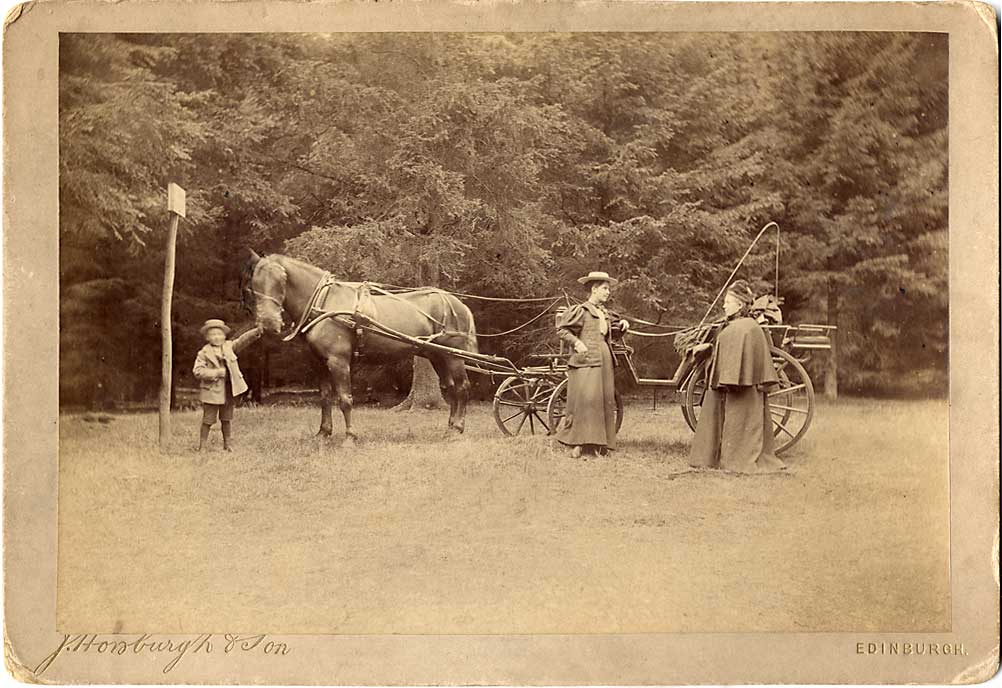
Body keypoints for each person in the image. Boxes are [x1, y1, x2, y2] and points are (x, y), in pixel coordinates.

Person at [688, 280, 786, 473]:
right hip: (725, 383)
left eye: (728, 302)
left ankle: (737, 458)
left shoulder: (747, 328)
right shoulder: (733, 325)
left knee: (740, 419)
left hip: (745, 387)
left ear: (740, 305)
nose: (724, 305)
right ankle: (711, 456)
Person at [554, 271, 630, 458]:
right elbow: (562, 330)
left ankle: (599, 444)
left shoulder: (604, 313)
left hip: (604, 357)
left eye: (608, 289)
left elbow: (610, 335)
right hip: (586, 360)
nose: (608, 292)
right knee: (585, 400)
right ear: (594, 289)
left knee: (603, 400)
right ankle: (577, 443)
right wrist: (577, 343)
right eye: (605, 288)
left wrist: (622, 326)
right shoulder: (581, 310)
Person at [192, 319, 261, 452]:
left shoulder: (229, 346)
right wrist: (216, 372)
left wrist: (256, 332)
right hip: (212, 392)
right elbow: (197, 371)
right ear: (207, 337)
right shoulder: (203, 353)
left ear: (224, 336)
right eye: (213, 334)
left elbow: (242, 340)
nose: (217, 337)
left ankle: (227, 445)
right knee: (208, 420)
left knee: (226, 418)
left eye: (219, 334)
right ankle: (203, 446)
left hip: (228, 390)